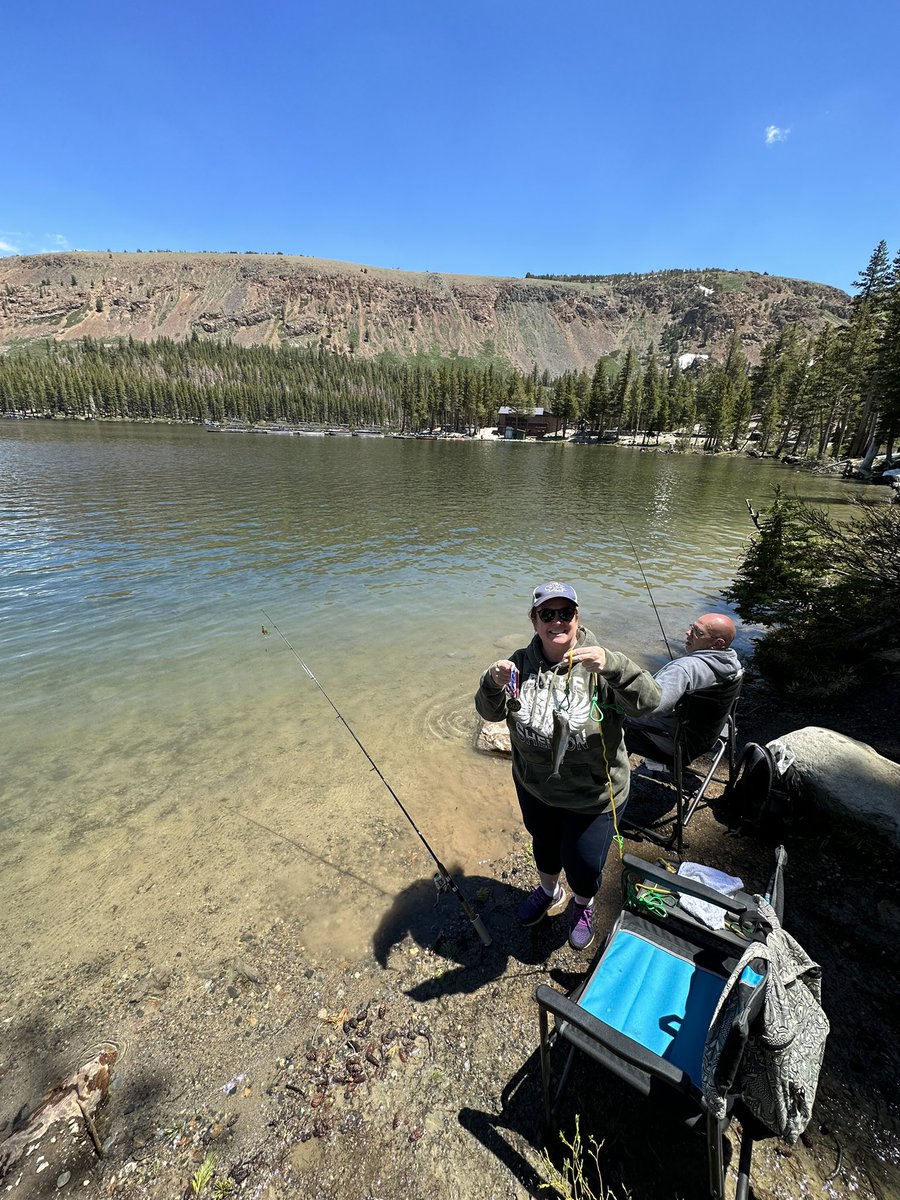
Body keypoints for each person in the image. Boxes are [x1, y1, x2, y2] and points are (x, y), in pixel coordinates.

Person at [475, 582, 661, 951]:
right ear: (534, 620)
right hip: (535, 787)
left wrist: (614, 666)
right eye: (547, 614)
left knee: (585, 864)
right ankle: (548, 891)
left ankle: (582, 904)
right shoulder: (519, 665)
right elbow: (490, 712)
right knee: (543, 846)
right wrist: (491, 682)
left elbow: (650, 702)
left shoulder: (600, 664)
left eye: (565, 613)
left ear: (577, 618)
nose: (556, 621)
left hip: (592, 794)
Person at [624, 613, 743, 766]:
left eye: (698, 632)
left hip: (673, 746)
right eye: (691, 627)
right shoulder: (733, 665)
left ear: (718, 643)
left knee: (603, 717)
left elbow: (650, 706)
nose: (688, 633)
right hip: (705, 738)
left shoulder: (684, 669)